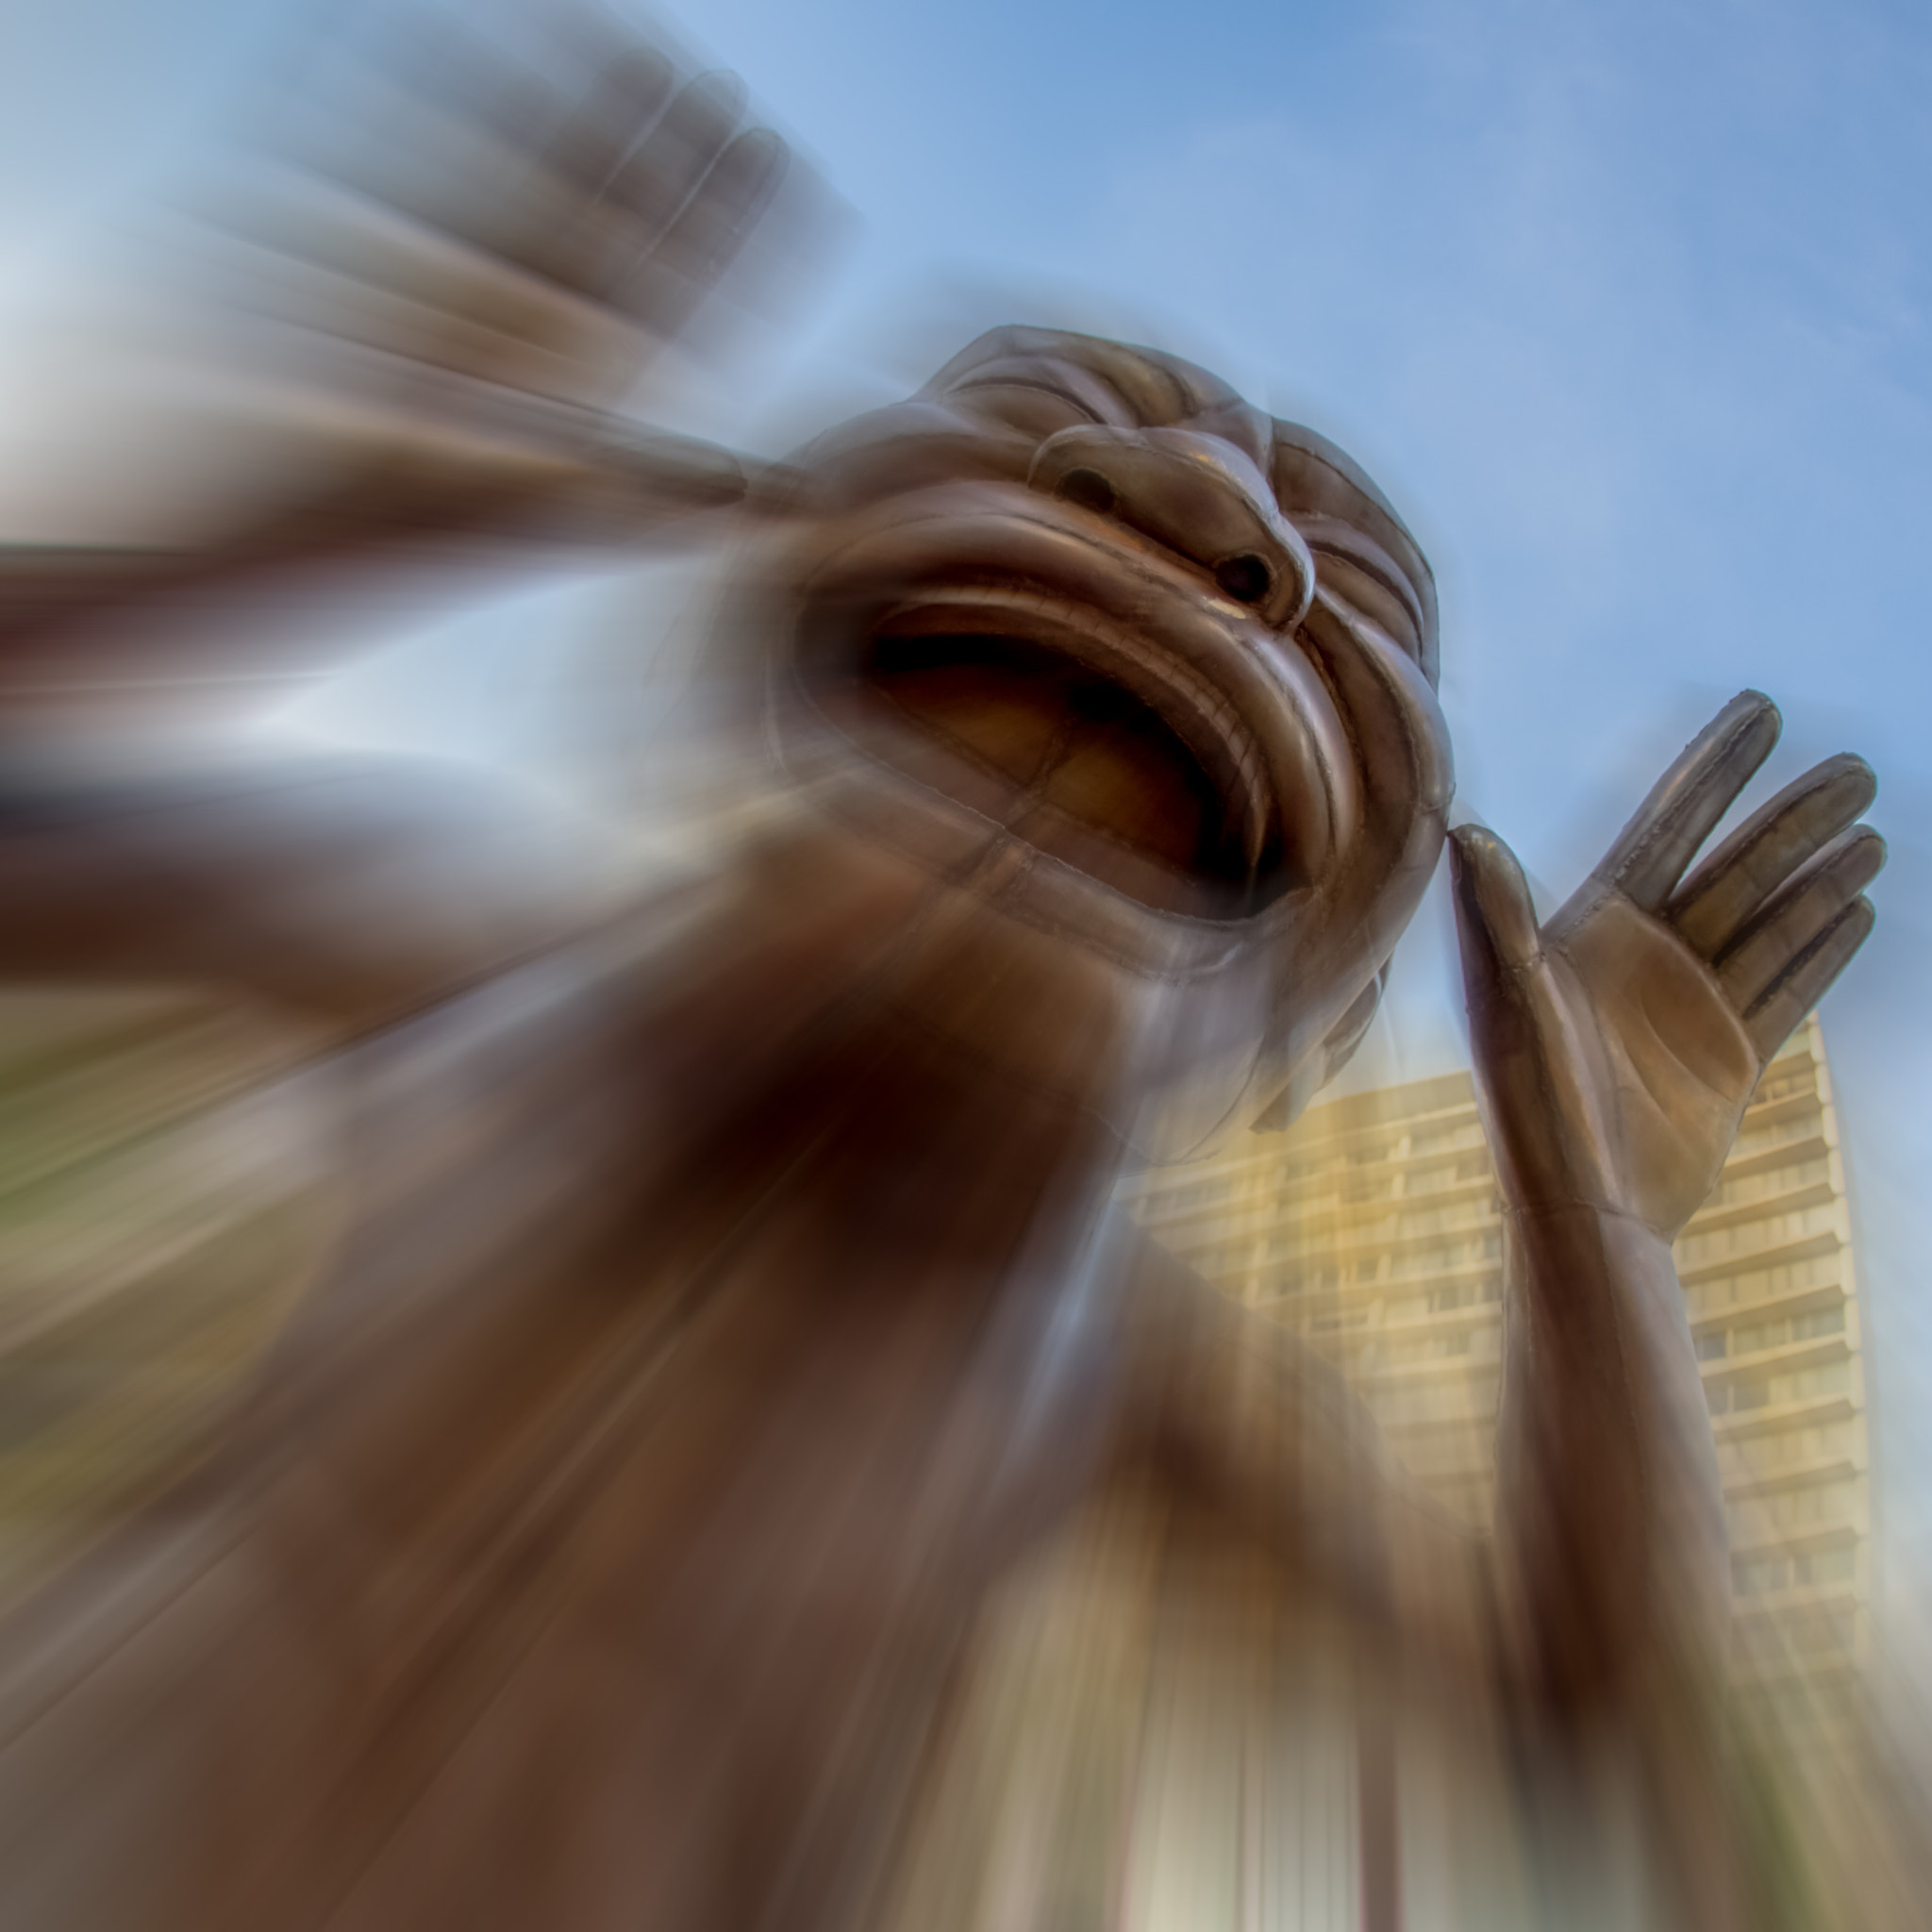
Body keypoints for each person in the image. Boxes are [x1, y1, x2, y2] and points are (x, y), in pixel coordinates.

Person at [0, 10, 1883, 1927]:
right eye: (1057, 451)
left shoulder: (1108, 1359)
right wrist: (357, 469)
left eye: (1328, 602)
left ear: (1298, 963)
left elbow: (1561, 1676)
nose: (1212, 526)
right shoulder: (447, 968)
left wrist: (1604, 1234)